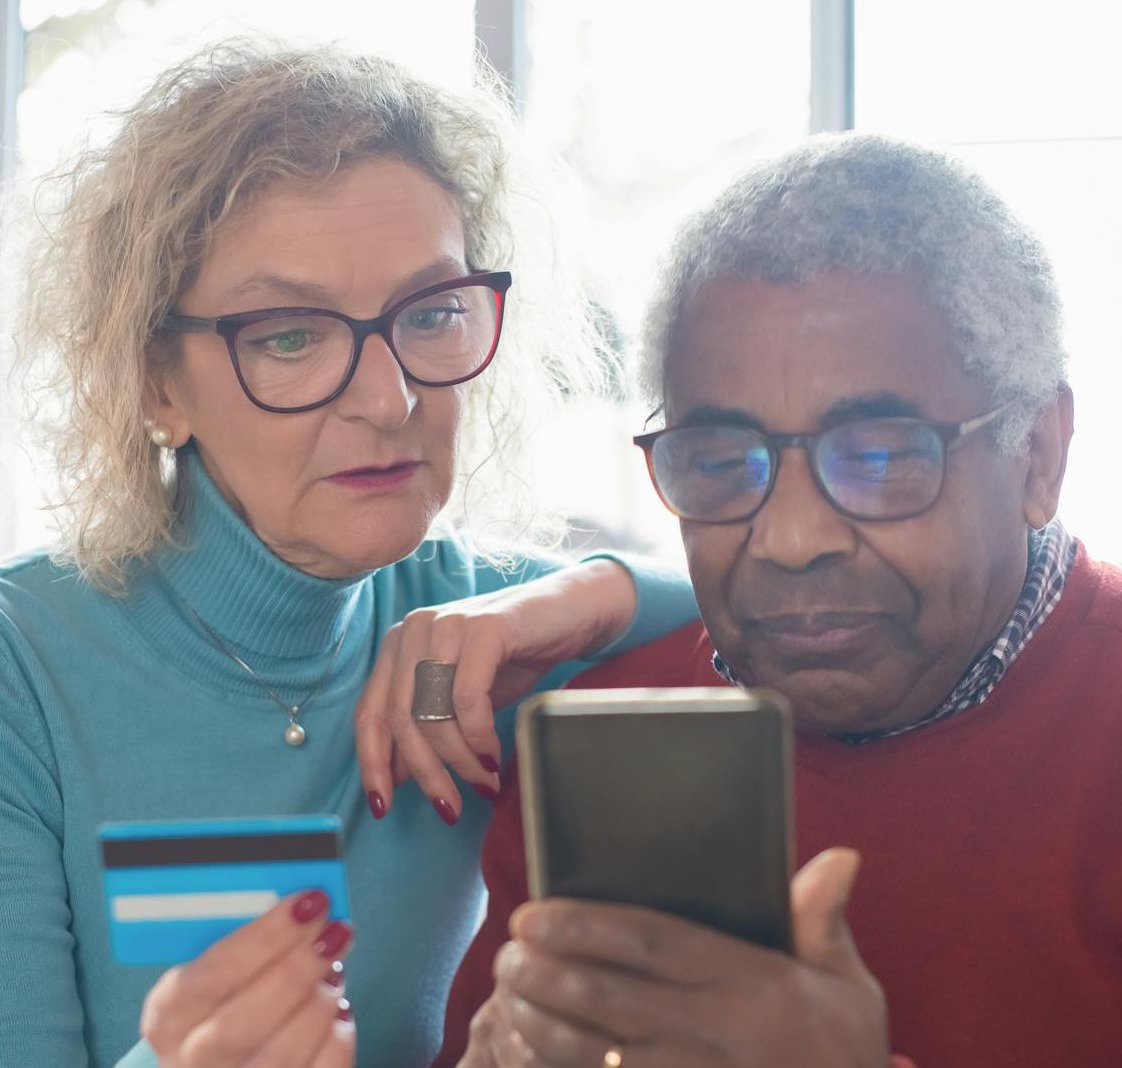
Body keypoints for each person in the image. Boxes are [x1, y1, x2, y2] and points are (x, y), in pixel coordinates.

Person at [0, 43, 697, 1068]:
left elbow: (756, 608)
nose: (389, 400)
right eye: (290, 337)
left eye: (429, 315)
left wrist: (589, 598)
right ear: (155, 381)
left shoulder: (479, 635)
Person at [431, 134, 1122, 1067]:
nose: (794, 541)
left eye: (879, 456)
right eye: (720, 463)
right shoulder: (606, 755)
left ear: (1038, 455)